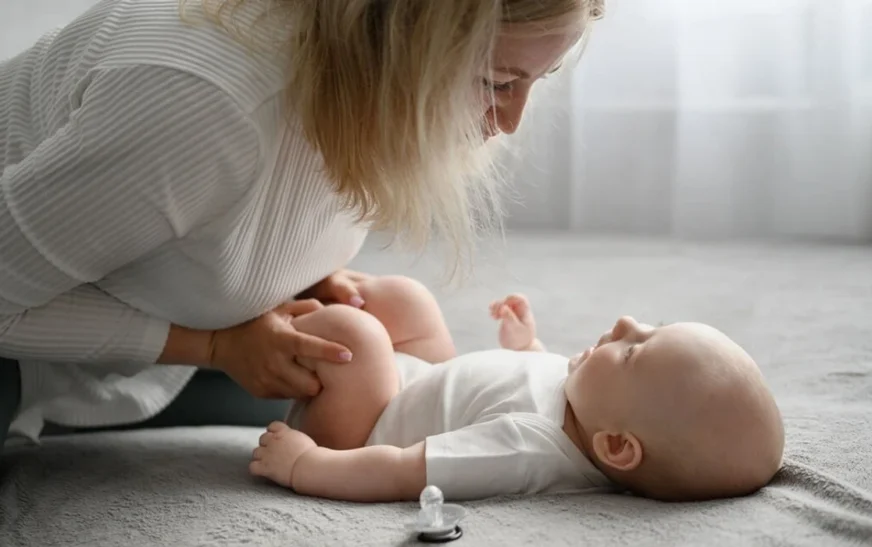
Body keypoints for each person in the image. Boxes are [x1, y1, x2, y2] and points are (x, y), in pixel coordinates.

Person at [0, 0, 605, 451]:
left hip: (119, 339)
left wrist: (293, 279)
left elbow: (236, 207)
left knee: (384, 407)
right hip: (19, 344)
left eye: (537, 79)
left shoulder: (348, 78)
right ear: (400, 38)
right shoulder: (205, 109)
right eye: (496, 82)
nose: (511, 120)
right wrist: (215, 347)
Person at [250, 276, 785, 502]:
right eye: (651, 326)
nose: (626, 321)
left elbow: (404, 470)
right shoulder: (591, 405)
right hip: (430, 385)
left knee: (356, 334)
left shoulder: (523, 449)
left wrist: (307, 465)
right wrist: (528, 348)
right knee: (406, 299)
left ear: (616, 447)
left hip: (370, 427)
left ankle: (247, 325)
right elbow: (534, 385)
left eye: (634, 350)